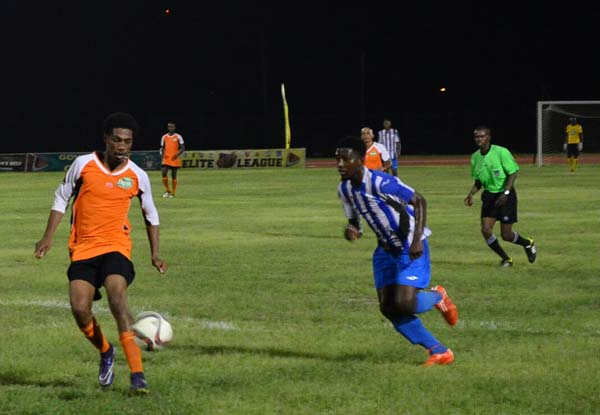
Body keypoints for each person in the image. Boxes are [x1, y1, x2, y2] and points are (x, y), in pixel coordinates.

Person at [34, 112, 167, 394]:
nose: (122, 146)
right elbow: (61, 197)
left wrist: (155, 254)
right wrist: (48, 236)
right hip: (82, 249)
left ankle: (137, 375)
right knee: (80, 309)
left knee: (117, 298)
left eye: (127, 142)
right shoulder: (83, 164)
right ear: (106, 139)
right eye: (117, 140)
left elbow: (151, 214)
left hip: (116, 247)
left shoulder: (137, 176)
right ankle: (106, 352)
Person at [335, 136, 458, 367]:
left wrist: (416, 241)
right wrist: (352, 231)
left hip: (409, 246)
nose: (340, 164)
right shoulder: (344, 190)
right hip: (384, 250)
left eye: (346, 158)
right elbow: (355, 224)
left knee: (403, 302)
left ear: (360, 160)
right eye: (337, 159)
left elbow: (419, 201)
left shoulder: (381, 182)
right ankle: (439, 351)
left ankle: (438, 297)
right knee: (389, 308)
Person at [464, 126, 537, 267]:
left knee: (506, 235)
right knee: (485, 230)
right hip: (489, 196)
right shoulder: (475, 157)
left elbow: (513, 172)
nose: (479, 139)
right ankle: (506, 259)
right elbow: (479, 181)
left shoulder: (501, 152)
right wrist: (471, 194)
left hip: (505, 196)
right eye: (477, 137)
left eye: (482, 136)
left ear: (489, 137)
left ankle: (528, 243)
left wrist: (506, 192)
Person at [160, 122, 185, 198]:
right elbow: (162, 147)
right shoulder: (164, 137)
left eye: (172, 127)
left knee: (173, 176)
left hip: (174, 159)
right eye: (170, 127)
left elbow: (183, 148)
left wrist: (177, 155)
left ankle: (173, 193)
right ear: (168, 128)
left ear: (175, 127)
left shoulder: (178, 136)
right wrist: (163, 154)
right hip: (166, 158)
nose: (171, 128)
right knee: (164, 173)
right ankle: (168, 191)